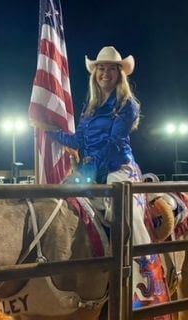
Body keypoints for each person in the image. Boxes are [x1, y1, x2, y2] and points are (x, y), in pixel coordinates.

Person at [35, 46, 152, 246]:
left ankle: (138, 268)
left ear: (119, 74)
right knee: (57, 203)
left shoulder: (126, 104)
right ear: (95, 73)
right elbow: (78, 141)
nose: (105, 73)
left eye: (111, 69)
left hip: (118, 167)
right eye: (101, 68)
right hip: (90, 168)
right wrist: (48, 130)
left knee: (125, 216)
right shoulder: (91, 107)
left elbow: (113, 143)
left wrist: (88, 168)